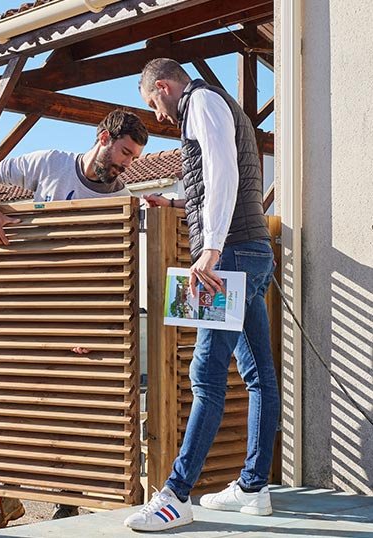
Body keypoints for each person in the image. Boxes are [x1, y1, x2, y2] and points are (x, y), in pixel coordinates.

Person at [0, 109, 149, 533]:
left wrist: (96, 326)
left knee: (73, 413)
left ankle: (67, 504)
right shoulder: (51, 163)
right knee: (15, 406)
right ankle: (6, 499)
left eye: (134, 157)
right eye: (125, 152)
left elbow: (116, 270)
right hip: (30, 309)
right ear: (104, 137)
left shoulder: (119, 198)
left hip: (83, 319)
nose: (127, 164)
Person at [124, 59, 280, 532]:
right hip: (247, 251)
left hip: (229, 256)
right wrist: (174, 203)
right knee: (258, 375)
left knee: (206, 376)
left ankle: (176, 495)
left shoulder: (200, 102)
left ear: (165, 87)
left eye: (154, 103)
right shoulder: (216, 106)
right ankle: (254, 488)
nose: (160, 115)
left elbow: (222, 170)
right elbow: (213, 182)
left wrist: (209, 250)